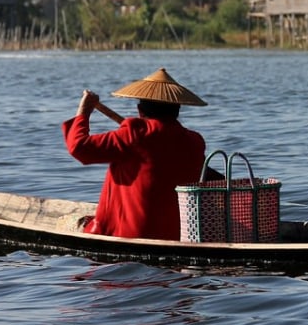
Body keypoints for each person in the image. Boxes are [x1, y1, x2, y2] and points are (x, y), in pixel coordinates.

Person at [62, 67, 208, 240]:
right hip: (176, 235)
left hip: (128, 234)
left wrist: (84, 111)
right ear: (177, 110)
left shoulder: (134, 134)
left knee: (69, 223)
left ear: (140, 111)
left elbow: (79, 148)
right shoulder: (195, 142)